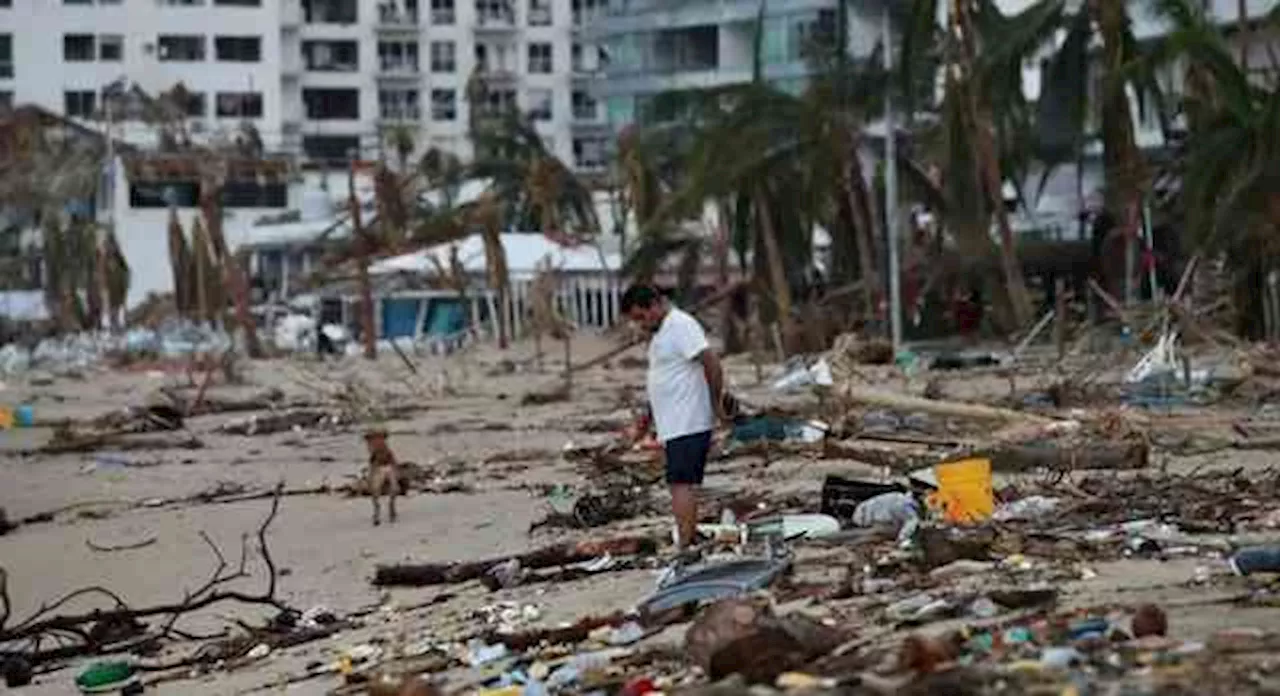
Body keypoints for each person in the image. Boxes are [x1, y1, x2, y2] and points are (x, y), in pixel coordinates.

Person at [621, 285, 726, 554]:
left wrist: (715, 404)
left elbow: (711, 361)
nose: (641, 324)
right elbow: (664, 380)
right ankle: (687, 538)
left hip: (688, 421)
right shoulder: (662, 333)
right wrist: (647, 421)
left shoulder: (681, 325)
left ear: (655, 305)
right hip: (674, 423)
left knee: (680, 483)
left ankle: (686, 545)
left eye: (642, 317)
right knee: (680, 483)